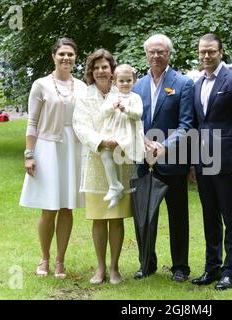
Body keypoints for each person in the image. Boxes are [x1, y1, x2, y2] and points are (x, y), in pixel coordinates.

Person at [190, 33, 232, 290]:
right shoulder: (197, 84)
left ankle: (230, 270)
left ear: (221, 52)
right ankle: (212, 267)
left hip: (228, 161)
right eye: (202, 52)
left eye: (211, 52)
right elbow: (197, 126)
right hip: (205, 161)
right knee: (209, 217)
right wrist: (194, 163)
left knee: (230, 217)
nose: (206, 56)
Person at [19, 38, 87, 279]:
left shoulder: (82, 86)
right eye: (62, 54)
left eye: (70, 54)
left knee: (67, 206)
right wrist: (29, 154)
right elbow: (32, 122)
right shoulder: (41, 85)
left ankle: (60, 261)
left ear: (75, 57)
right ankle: (44, 258)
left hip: (73, 148)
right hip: (48, 147)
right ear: (53, 56)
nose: (66, 58)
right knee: (49, 207)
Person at [132, 34, 195, 282]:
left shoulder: (183, 83)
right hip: (143, 161)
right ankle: (146, 263)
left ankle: (180, 267)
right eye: (152, 52)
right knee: (144, 216)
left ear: (169, 54)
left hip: (174, 161)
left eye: (161, 51)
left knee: (178, 216)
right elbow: (132, 123)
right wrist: (142, 142)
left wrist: (165, 146)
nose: (156, 56)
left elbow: (187, 124)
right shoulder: (136, 86)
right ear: (146, 54)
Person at [73, 49, 134, 285]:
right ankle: (100, 268)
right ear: (91, 71)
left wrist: (119, 139)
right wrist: (100, 141)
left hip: (119, 160)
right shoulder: (85, 97)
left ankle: (115, 268)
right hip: (96, 162)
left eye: (105, 67)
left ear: (112, 70)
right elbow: (80, 125)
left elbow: (132, 122)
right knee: (99, 219)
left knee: (116, 219)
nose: (101, 71)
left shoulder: (124, 93)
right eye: (96, 67)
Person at [99, 64, 145, 209]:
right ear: (114, 82)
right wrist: (111, 106)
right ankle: (114, 186)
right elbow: (102, 113)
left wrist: (125, 109)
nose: (125, 84)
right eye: (122, 81)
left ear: (134, 81)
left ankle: (126, 188)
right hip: (111, 132)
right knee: (105, 154)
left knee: (127, 161)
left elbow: (138, 114)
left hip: (126, 133)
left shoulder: (135, 97)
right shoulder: (111, 96)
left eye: (128, 80)